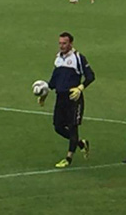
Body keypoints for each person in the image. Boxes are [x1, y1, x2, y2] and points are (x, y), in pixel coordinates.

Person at [38, 32, 95, 168]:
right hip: (60, 98)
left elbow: (90, 76)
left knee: (73, 127)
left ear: (71, 44)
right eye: (60, 43)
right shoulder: (58, 59)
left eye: (64, 43)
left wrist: (80, 88)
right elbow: (53, 82)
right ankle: (81, 143)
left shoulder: (78, 58)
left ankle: (68, 158)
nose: (61, 46)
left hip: (73, 98)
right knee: (58, 126)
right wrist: (44, 94)